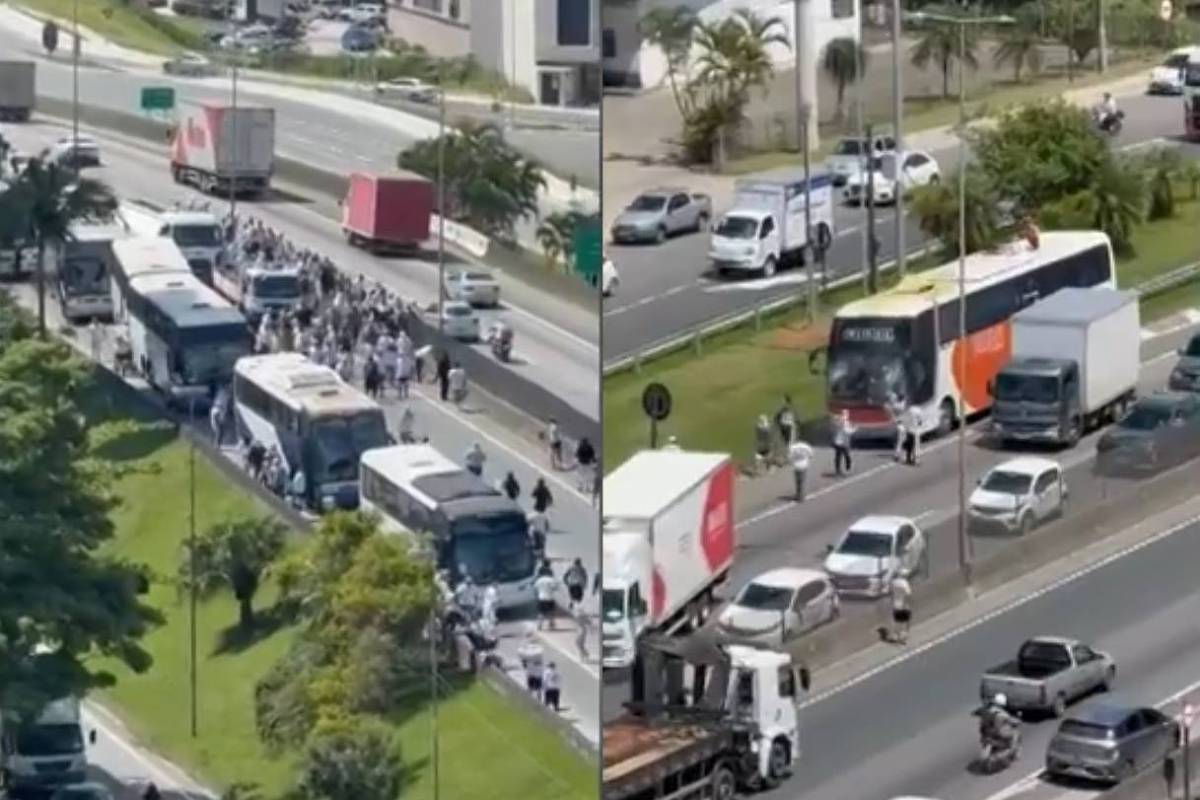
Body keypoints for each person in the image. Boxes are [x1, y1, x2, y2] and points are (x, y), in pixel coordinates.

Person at [517, 626, 545, 699]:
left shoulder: (538, 649)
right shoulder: (538, 649)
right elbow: (521, 654)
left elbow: (522, 654)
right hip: (534, 672)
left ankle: (536, 701)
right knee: (534, 689)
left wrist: (526, 657)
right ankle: (535, 701)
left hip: (534, 672)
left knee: (535, 689)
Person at [788, 436, 814, 502]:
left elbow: (790, 457)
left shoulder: (793, 447)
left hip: (796, 466)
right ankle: (801, 496)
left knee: (797, 481)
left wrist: (792, 461)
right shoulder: (806, 446)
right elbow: (811, 455)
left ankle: (798, 495)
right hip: (804, 465)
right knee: (802, 481)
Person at [889, 571, 912, 644]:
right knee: (904, 621)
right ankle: (902, 638)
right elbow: (908, 594)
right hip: (903, 604)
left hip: (895, 604)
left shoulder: (893, 582)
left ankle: (894, 636)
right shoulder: (904, 583)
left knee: (896, 620)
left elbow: (890, 592)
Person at [831, 410, 854, 476]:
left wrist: (853, 429)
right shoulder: (839, 421)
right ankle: (838, 470)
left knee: (846, 456)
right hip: (839, 442)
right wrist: (853, 430)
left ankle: (847, 469)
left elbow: (848, 431)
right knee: (839, 457)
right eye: (843, 414)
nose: (845, 415)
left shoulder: (847, 422)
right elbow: (846, 431)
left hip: (845, 442)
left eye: (846, 414)